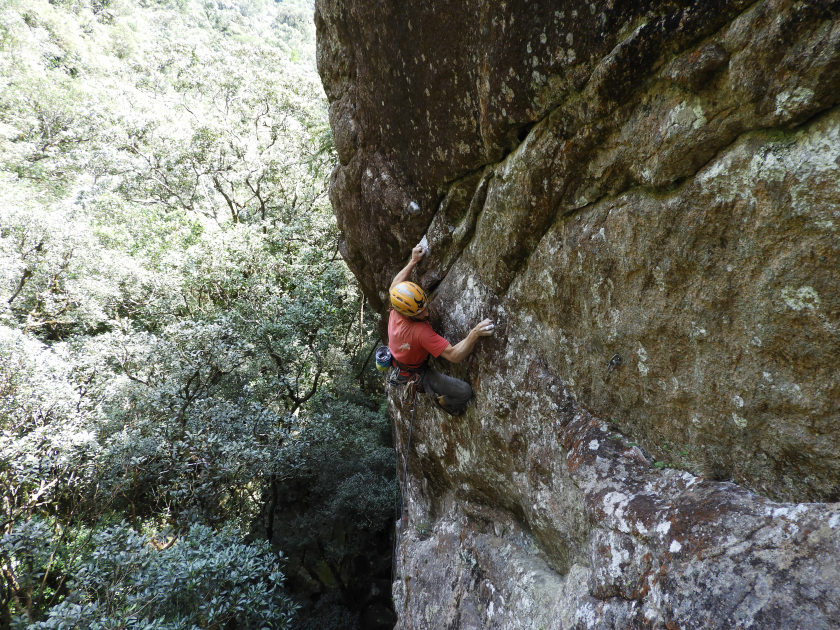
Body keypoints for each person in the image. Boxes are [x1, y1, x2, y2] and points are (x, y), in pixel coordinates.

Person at [388, 244, 495, 415]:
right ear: (408, 314)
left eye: (425, 306)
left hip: (400, 355)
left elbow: (394, 286)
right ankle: (443, 402)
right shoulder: (420, 332)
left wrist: (413, 261)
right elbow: (454, 355)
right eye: (420, 312)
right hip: (415, 372)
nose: (427, 313)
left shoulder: (397, 305)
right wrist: (475, 332)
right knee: (464, 391)